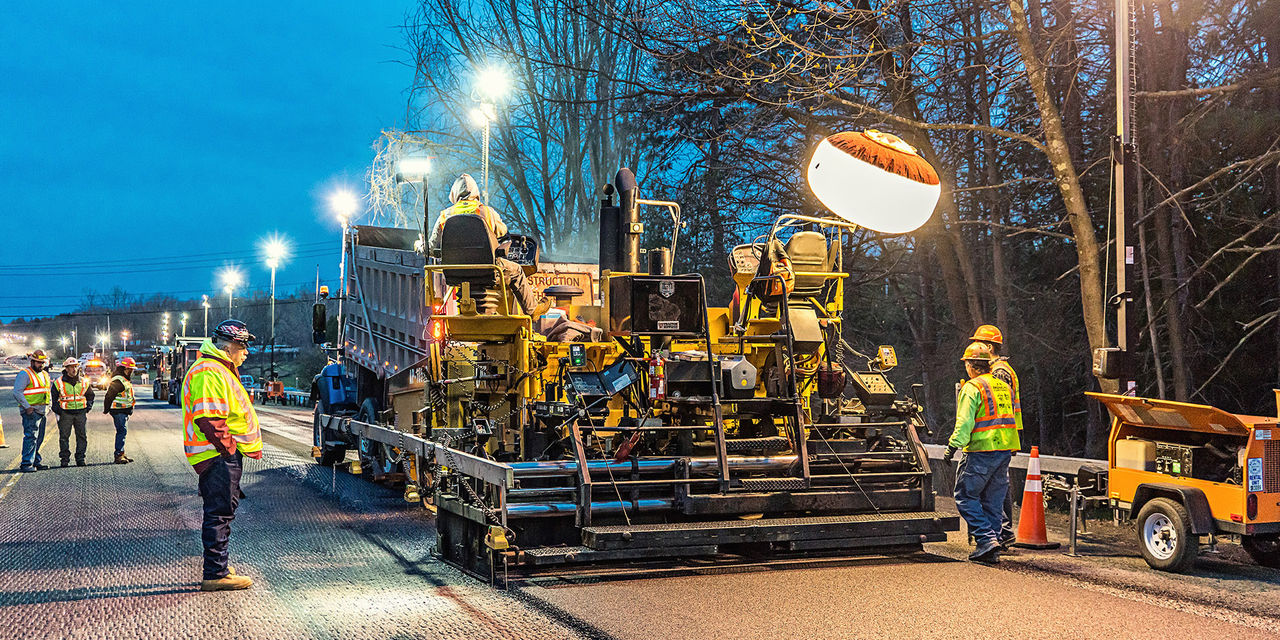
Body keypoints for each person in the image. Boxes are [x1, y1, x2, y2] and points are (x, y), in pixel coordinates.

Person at [181, 319, 262, 591]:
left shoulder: (217, 369)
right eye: (243, 346)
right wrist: (228, 450)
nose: (246, 352)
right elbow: (209, 419)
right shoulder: (210, 372)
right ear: (229, 348)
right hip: (216, 455)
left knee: (222, 510)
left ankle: (219, 566)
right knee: (219, 513)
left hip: (218, 454)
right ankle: (215, 573)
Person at [427, 173, 550, 317]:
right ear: (475, 193)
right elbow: (504, 236)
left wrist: (419, 245)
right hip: (487, 270)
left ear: (454, 194)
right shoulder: (487, 212)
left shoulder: (445, 215)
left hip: (455, 272)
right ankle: (532, 309)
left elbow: (430, 248)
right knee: (516, 270)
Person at [944, 342, 1021, 564]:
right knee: (993, 501)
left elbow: (964, 422)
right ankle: (993, 545)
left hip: (981, 451)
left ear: (970, 365)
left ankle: (986, 539)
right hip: (1004, 449)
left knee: (965, 497)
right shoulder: (1002, 386)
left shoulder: (973, 387)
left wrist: (952, 447)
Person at [969, 324, 1023, 547]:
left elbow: (998, 406)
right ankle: (1001, 532)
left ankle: (1003, 531)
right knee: (996, 486)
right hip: (1002, 434)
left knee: (995, 488)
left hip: (998, 436)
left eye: (980, 343)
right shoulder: (1002, 370)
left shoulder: (999, 372)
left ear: (989, 346)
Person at [51, 357, 95, 467]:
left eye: (75, 367)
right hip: (65, 413)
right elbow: (53, 399)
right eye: (71, 367)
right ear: (66, 369)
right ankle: (64, 459)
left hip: (80, 413)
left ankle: (80, 459)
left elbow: (90, 395)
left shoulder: (84, 381)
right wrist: (59, 411)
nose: (74, 369)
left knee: (82, 436)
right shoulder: (58, 382)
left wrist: (87, 407)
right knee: (64, 437)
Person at [12, 350, 51, 472]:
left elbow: (46, 392)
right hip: (31, 411)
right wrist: (27, 407)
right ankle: (26, 463)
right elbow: (17, 392)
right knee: (31, 437)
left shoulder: (44, 374)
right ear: (32, 361)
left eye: (42, 363)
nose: (41, 365)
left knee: (39, 438)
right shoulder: (25, 374)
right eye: (39, 362)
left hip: (42, 411)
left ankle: (35, 460)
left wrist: (49, 407)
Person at [102, 357, 138, 464]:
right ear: (124, 369)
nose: (131, 372)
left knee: (122, 432)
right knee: (121, 432)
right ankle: (118, 454)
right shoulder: (118, 380)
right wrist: (106, 409)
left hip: (123, 410)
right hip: (118, 410)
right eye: (129, 370)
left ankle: (121, 453)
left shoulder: (123, 379)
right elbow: (109, 396)